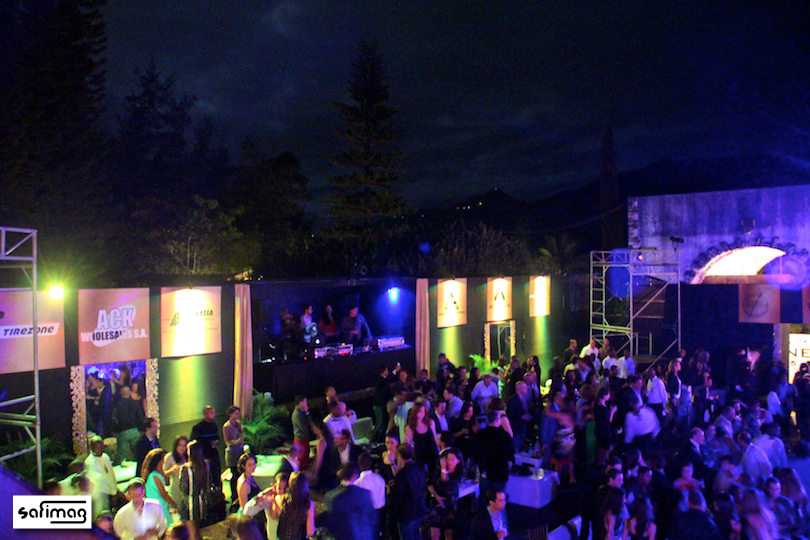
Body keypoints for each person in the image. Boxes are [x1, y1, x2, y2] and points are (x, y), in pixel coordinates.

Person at [324, 462, 377, 540]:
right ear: (355, 476)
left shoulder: (331, 497)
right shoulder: (366, 493)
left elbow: (331, 524)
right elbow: (373, 518)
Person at [475, 411, 514, 509]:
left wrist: (481, 467)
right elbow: (511, 453)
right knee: (500, 499)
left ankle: (483, 517)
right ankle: (499, 517)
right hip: (500, 472)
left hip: (486, 471)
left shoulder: (480, 434)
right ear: (497, 420)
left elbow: (475, 452)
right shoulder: (505, 436)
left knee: (484, 499)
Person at [389, 443, 428, 540]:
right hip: (419, 509)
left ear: (399, 455)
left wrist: (390, 490)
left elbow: (398, 496)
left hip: (407, 514)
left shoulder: (402, 474)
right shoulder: (419, 467)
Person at [428, 448, 464, 540]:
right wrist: (436, 496)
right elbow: (429, 484)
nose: (449, 462)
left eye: (452, 459)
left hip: (450, 506)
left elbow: (446, 483)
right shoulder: (438, 470)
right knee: (434, 534)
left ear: (458, 461)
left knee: (449, 533)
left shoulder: (459, 473)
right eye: (448, 459)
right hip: (436, 504)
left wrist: (444, 470)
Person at [179, 439, 210, 540]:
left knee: (191, 531)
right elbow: (208, 485)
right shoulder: (206, 465)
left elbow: (183, 487)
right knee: (196, 530)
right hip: (202, 501)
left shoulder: (186, 468)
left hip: (189, 503)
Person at [271, 471, 315, 540]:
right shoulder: (308, 504)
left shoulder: (279, 499)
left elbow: (273, 516)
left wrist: (273, 498)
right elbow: (310, 532)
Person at [142, 448, 179, 524]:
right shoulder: (155, 476)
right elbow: (164, 495)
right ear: (159, 462)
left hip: (156, 508)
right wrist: (175, 506)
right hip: (160, 509)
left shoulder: (153, 475)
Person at [84, 435, 121, 512]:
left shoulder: (105, 456)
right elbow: (99, 483)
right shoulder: (90, 462)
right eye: (98, 447)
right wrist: (112, 493)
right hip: (103, 495)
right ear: (92, 448)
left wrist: (115, 489)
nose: (101, 449)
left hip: (112, 492)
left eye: (102, 447)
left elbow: (111, 474)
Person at [354, 453, 386, 536]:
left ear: (358, 464)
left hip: (367, 516)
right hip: (382, 513)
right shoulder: (379, 478)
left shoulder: (357, 484)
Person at [190, 405, 221, 488]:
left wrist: (217, 442)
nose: (214, 415)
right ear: (205, 414)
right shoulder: (198, 428)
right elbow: (194, 443)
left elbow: (217, 438)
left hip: (213, 454)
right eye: (211, 413)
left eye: (214, 413)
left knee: (216, 474)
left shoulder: (214, 426)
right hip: (204, 455)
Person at [113, 385, 144, 465]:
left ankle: (119, 470)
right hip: (134, 430)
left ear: (121, 394)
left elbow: (114, 419)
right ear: (129, 393)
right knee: (136, 453)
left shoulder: (117, 405)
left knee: (121, 454)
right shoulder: (135, 403)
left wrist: (115, 430)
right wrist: (140, 429)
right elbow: (140, 417)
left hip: (122, 431)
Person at [405, 402, 439, 472]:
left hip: (432, 452)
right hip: (419, 454)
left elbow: (435, 437)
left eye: (423, 412)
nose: (422, 414)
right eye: (420, 412)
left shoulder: (430, 423)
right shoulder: (410, 427)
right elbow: (409, 443)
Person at [223, 405, 244, 510]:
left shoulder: (239, 424)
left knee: (240, 473)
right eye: (236, 413)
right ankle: (234, 496)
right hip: (232, 452)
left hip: (240, 451)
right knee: (234, 474)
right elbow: (227, 441)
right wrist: (236, 442)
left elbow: (242, 435)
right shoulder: (226, 426)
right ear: (230, 414)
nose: (237, 415)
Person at [163, 435, 189, 510]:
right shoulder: (170, 457)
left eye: (184, 445)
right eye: (180, 445)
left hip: (187, 491)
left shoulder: (189, 457)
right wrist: (171, 470)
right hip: (175, 490)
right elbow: (163, 474)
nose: (182, 448)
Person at [134, 417, 161, 481]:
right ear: (147, 429)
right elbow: (142, 460)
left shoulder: (155, 439)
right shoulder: (141, 442)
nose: (157, 429)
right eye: (154, 427)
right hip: (146, 473)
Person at [291, 396, 311, 470]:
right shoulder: (297, 414)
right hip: (300, 439)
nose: (306, 403)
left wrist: (307, 413)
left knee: (306, 457)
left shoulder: (302, 412)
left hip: (305, 438)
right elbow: (304, 428)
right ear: (300, 402)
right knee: (301, 458)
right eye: (305, 401)